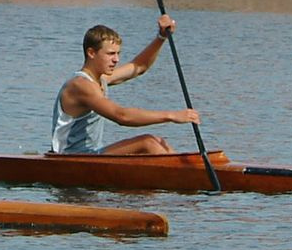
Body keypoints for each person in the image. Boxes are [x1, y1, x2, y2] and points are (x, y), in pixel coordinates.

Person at [49, 16, 199, 157]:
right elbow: (122, 116)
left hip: (90, 154)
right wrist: (171, 116)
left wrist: (161, 37)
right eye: (110, 54)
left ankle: (191, 173)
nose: (116, 59)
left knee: (158, 141)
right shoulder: (80, 85)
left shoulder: (101, 79)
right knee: (148, 142)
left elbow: (139, 66)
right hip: (68, 157)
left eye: (118, 53)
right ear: (91, 53)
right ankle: (186, 178)